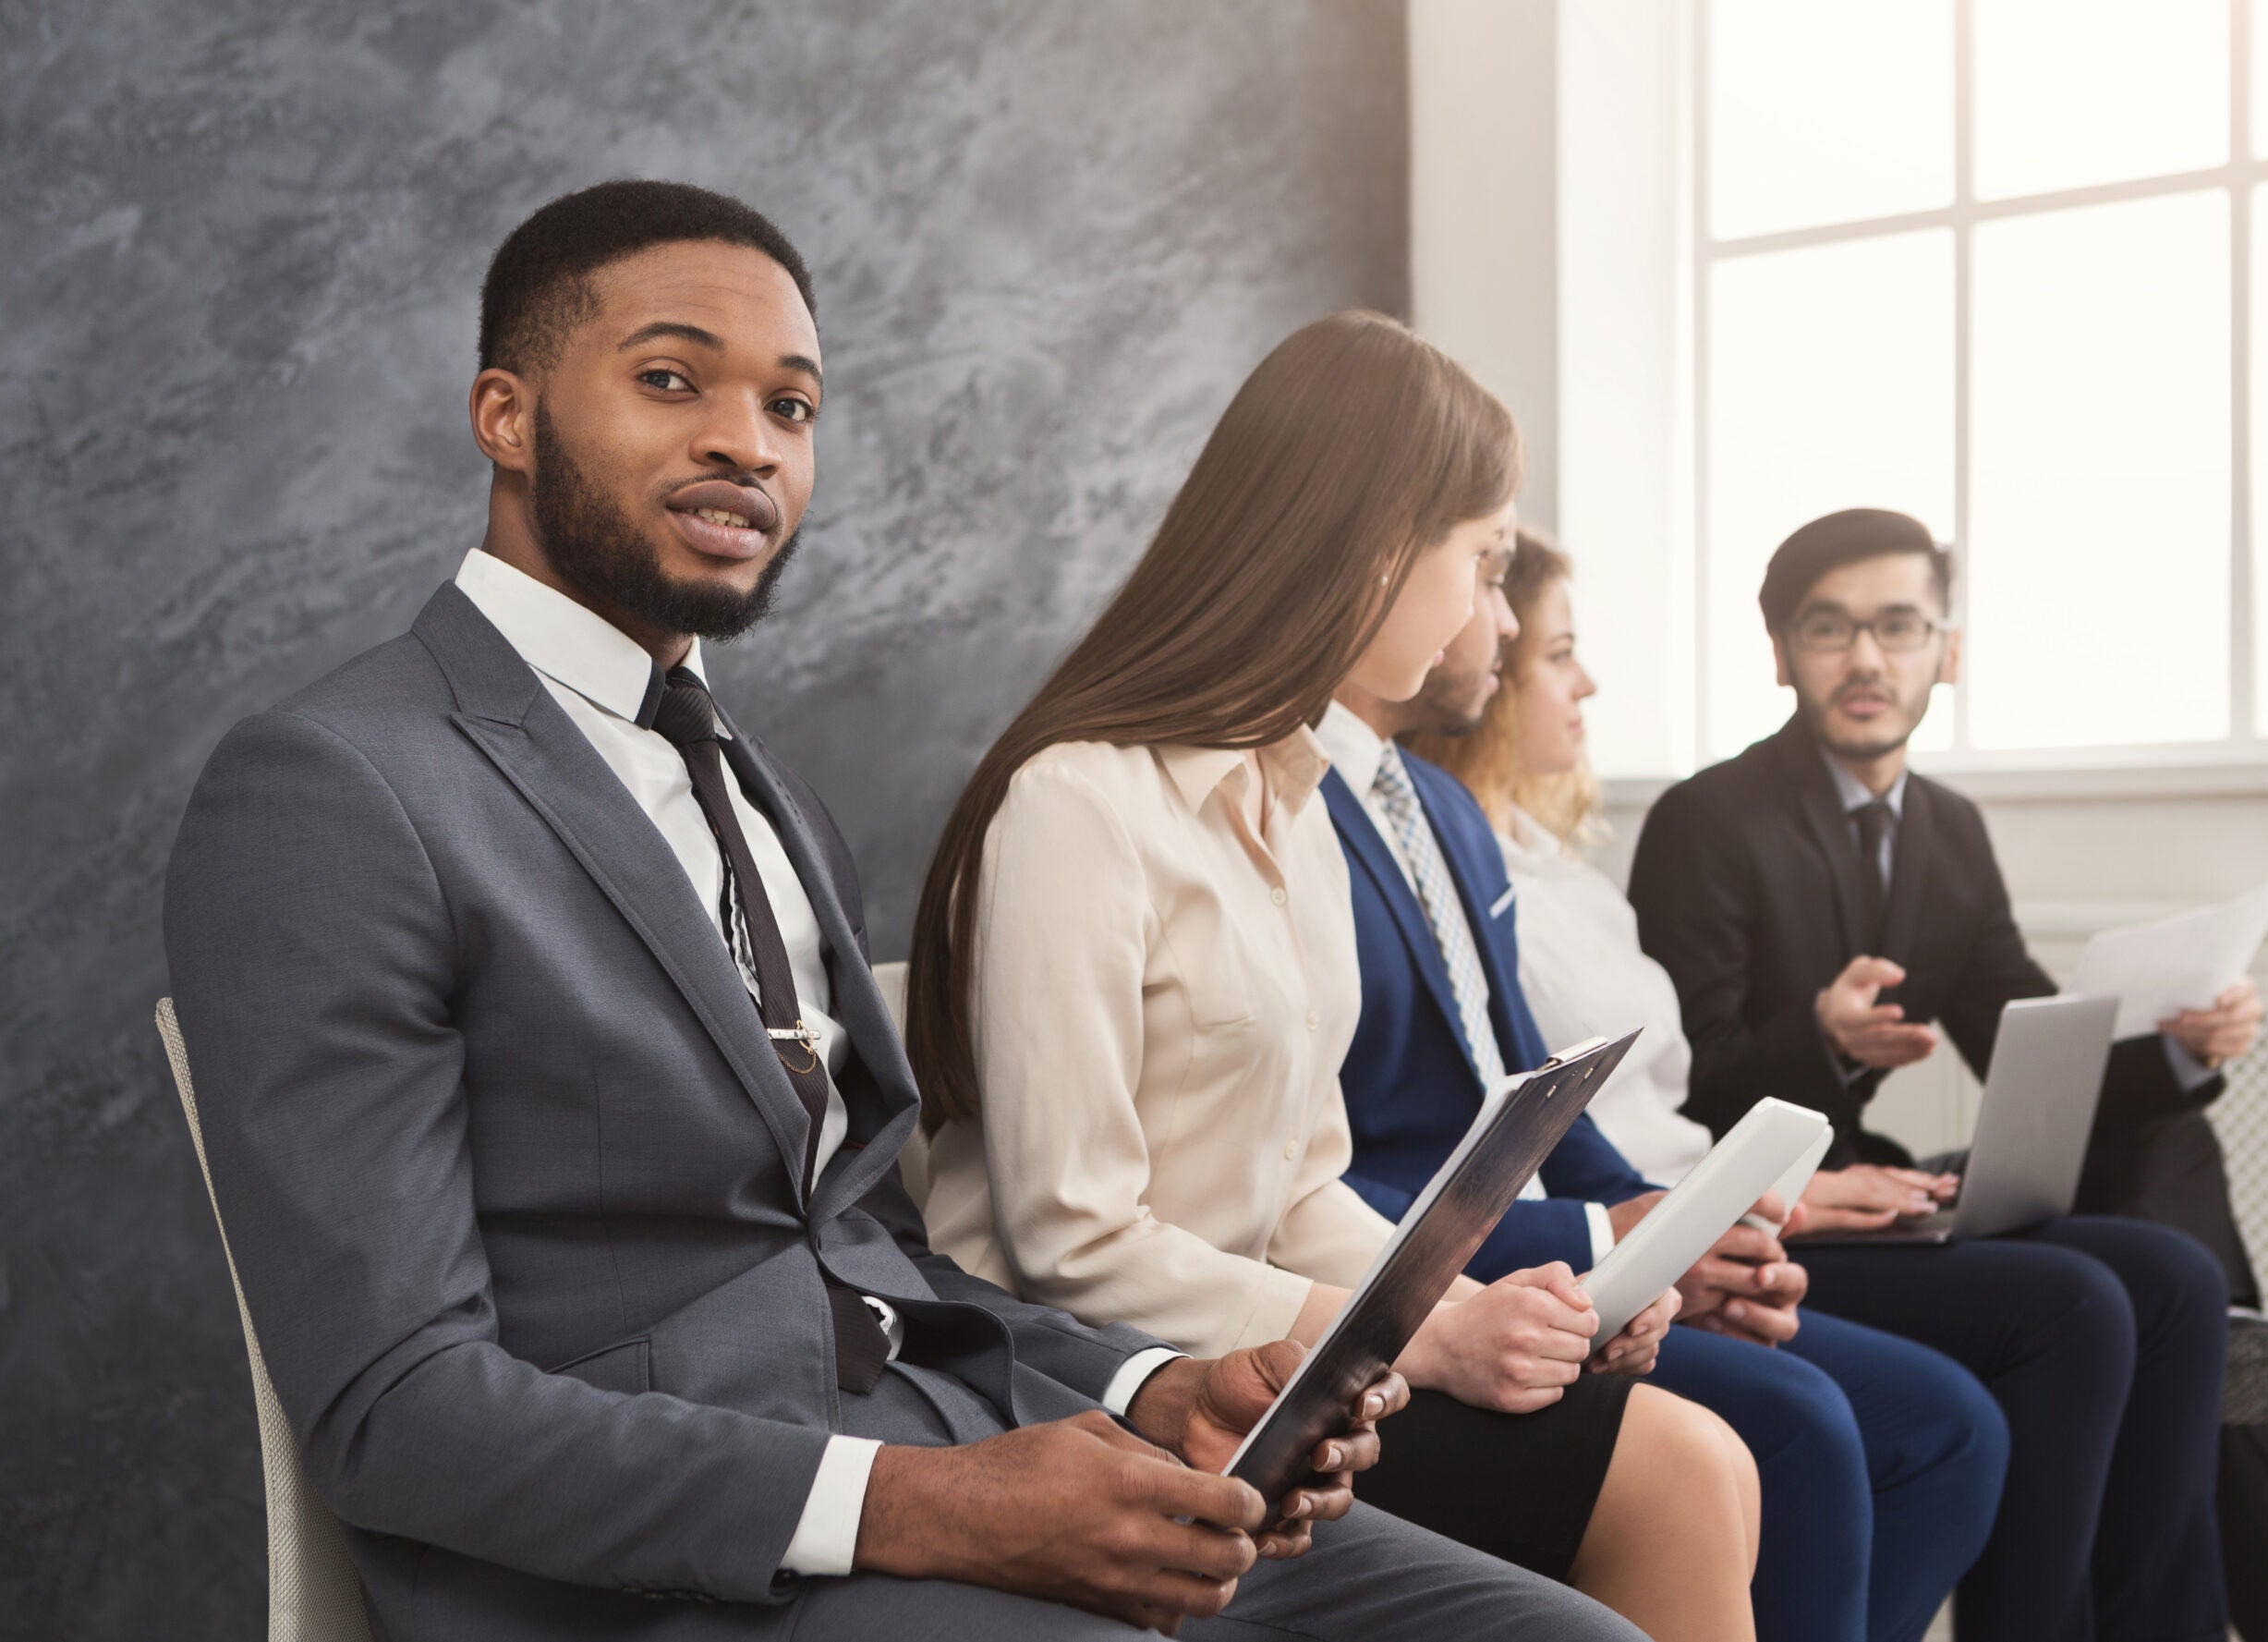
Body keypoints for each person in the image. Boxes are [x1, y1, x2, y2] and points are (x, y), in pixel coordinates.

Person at [161, 182, 1648, 1642]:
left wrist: (1152, 1390)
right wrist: (929, 1505)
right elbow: (397, 1410)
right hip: (667, 1572)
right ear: (507, 414)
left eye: (791, 408)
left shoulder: (768, 799)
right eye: (672, 380)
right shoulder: (336, 788)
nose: (745, 440)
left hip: (968, 1439)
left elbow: (871, 1257)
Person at [911, 310, 1758, 1642]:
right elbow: (1067, 1237)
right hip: (1096, 1385)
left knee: (1695, 1460)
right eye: (1481, 565)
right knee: (1683, 1468)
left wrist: (1483, 1315)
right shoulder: (1076, 804)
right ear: (1374, 554)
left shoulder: (1295, 803)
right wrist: (1420, 1339)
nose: (1491, 610)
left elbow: (1304, 1184)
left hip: (1281, 1367)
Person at [1628, 506, 2268, 1639]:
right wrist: (1822, 1036)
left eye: (1897, 626)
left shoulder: (1944, 829)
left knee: (2179, 1263)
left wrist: (2187, 1042)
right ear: (1778, 649)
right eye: (1828, 628)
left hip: (1878, 1191)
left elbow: (2026, 1043)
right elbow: (1674, 1096)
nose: (1864, 659)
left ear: (1948, 649)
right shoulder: (1707, 820)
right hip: (1763, 1220)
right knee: (2106, 1299)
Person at [1345, 530, 2006, 1642]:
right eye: (1551, 643)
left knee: (2025, 1360)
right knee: (1822, 1416)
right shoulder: (1676, 820)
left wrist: (1679, 1224)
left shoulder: (1457, 823)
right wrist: (1632, 1233)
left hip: (1647, 1200)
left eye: (1898, 626)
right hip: (1482, 1251)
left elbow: (1540, 1102)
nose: (1551, 661)